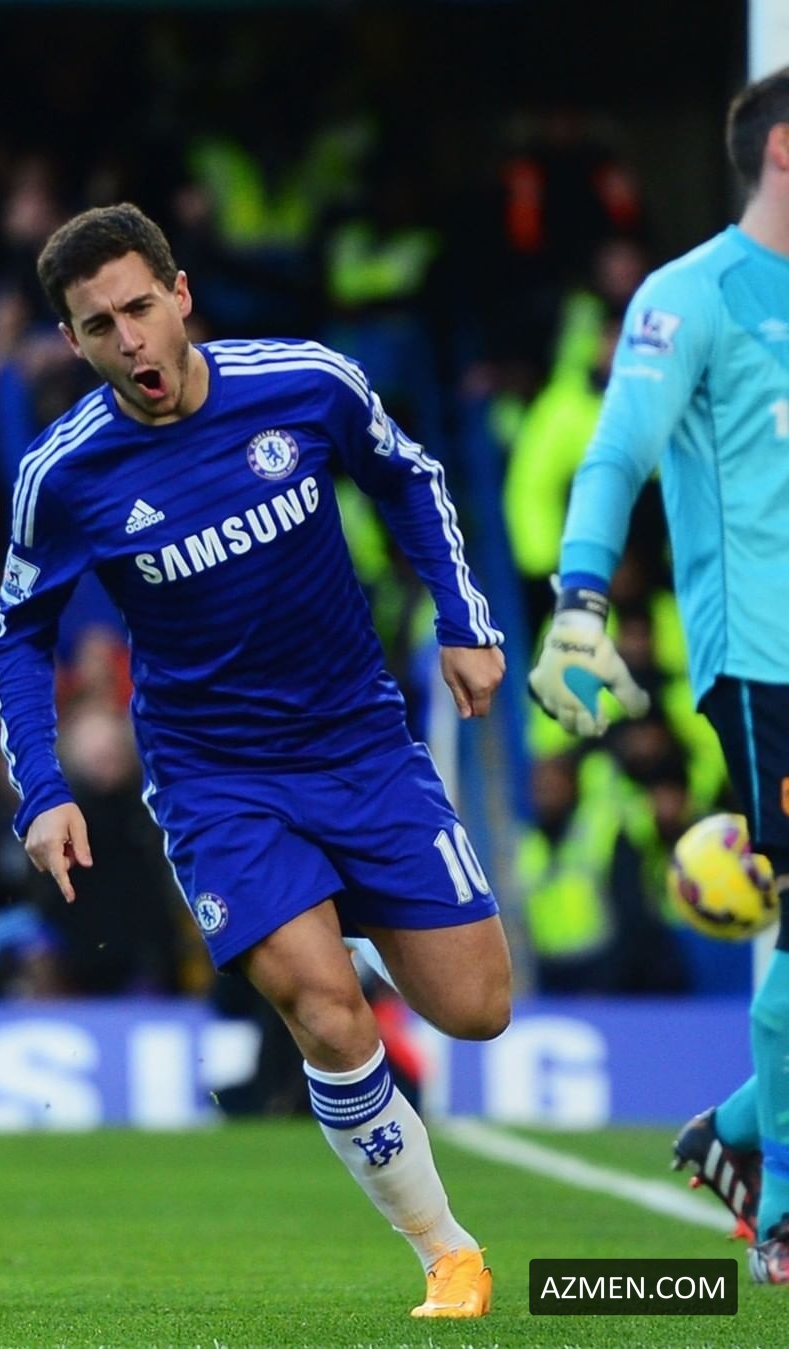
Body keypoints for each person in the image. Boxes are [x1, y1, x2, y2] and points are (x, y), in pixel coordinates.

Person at [0, 202, 510, 1319]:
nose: (129, 340)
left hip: (361, 744)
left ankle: (334, 909)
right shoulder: (65, 473)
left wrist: (463, 618)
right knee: (326, 1012)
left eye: (139, 308)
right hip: (216, 779)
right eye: (98, 326)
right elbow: (17, 634)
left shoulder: (306, 383)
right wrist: (43, 788)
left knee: (477, 1007)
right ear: (72, 342)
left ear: (181, 296)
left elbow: (408, 477)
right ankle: (447, 1253)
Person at [529, 67, 789, 1283]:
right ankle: (780, 1200)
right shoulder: (690, 298)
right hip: (767, 658)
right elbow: (616, 449)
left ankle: (733, 1130)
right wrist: (582, 599)